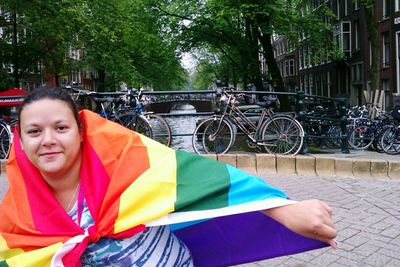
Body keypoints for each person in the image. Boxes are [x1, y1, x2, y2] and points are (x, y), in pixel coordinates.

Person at [0, 88, 336, 266]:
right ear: (21, 141)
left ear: (81, 132)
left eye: (60, 127)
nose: (48, 140)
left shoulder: (124, 164)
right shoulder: (17, 213)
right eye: (34, 131)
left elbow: (205, 180)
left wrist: (284, 208)